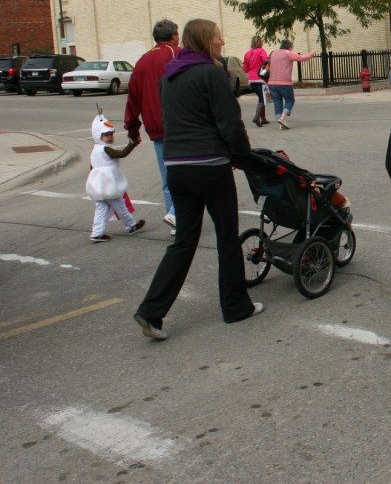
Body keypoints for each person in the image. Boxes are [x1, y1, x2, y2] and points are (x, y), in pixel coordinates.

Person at [134, 19, 260, 341]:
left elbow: (169, 119)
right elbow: (230, 124)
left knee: (184, 241)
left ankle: (151, 311)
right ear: (206, 40)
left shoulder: (170, 76)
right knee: (227, 237)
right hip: (210, 167)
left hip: (177, 168)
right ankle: (235, 307)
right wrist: (243, 156)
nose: (221, 41)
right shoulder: (211, 74)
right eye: (218, 36)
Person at [124, 19, 180, 235]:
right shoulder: (177, 54)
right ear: (174, 35)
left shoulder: (142, 61)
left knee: (167, 178)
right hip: (178, 124)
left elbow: (133, 98)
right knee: (186, 173)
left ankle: (175, 219)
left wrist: (132, 129)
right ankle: (176, 215)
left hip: (156, 128)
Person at [86, 113, 144, 242]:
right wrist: (132, 144)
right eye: (106, 135)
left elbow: (92, 166)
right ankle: (131, 225)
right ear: (98, 136)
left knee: (101, 207)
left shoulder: (95, 149)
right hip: (109, 184)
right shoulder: (106, 149)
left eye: (111, 134)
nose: (110, 137)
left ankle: (97, 233)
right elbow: (122, 154)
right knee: (119, 205)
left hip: (98, 185)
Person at [266, 39, 315, 130]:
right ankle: (282, 118)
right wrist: (312, 52)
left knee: (277, 102)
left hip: (271, 82)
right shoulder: (288, 53)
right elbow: (302, 58)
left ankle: (281, 123)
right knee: (290, 100)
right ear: (289, 47)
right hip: (284, 83)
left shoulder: (273, 53)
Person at [242, 35, 270, 128]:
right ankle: (257, 117)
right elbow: (266, 62)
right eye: (262, 41)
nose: (263, 42)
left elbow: (245, 69)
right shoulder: (261, 51)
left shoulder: (247, 54)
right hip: (260, 78)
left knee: (261, 98)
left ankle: (264, 118)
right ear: (260, 42)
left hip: (251, 80)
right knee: (262, 99)